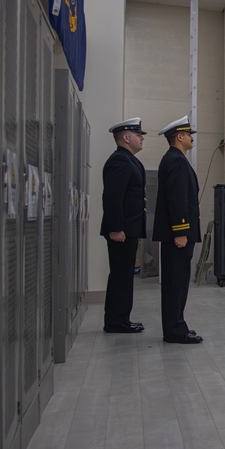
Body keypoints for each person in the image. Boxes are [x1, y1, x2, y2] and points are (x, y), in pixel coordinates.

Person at [153, 116, 204, 344]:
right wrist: (181, 231)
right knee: (175, 283)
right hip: (179, 235)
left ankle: (177, 325)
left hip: (179, 233)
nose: (192, 138)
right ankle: (174, 330)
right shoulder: (176, 161)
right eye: (189, 135)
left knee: (179, 282)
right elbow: (177, 199)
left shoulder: (175, 160)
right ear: (180, 137)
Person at [99, 118, 148, 334]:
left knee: (124, 276)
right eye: (138, 135)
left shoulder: (127, 160)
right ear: (126, 138)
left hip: (128, 230)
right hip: (121, 231)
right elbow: (112, 198)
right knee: (120, 276)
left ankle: (121, 319)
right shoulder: (119, 161)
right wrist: (116, 228)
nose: (142, 138)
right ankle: (116, 321)